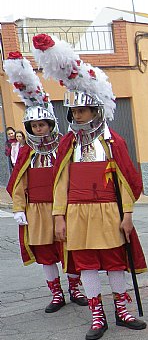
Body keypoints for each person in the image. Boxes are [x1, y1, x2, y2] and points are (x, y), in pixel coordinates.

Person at [33, 33, 147, 340]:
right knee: (87, 265)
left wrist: (128, 214)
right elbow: (60, 184)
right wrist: (59, 216)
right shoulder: (68, 144)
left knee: (114, 263)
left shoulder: (112, 142)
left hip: (109, 212)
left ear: (96, 110)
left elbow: (125, 180)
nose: (77, 115)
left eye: (82, 110)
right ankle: (97, 314)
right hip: (78, 216)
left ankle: (122, 310)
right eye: (74, 111)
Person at [4, 51, 88, 313]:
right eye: (35, 126)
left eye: (43, 124)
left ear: (51, 124)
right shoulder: (26, 152)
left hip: (62, 209)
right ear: (29, 128)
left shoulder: (64, 147)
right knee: (45, 253)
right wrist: (19, 208)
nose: (39, 129)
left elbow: (75, 175)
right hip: (37, 211)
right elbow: (18, 182)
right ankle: (56, 294)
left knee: (70, 250)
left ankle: (76, 289)